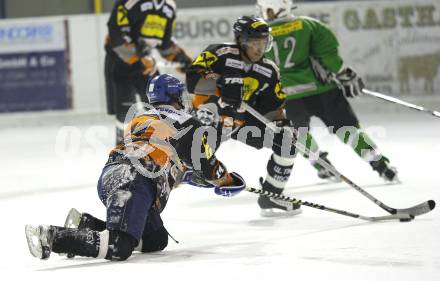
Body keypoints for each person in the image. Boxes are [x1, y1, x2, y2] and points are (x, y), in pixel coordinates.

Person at [25, 74, 244, 261]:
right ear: (175, 97)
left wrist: (210, 182)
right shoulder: (185, 121)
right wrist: (225, 181)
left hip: (115, 175)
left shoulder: (143, 118)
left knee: (155, 239)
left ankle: (87, 225)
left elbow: (180, 171)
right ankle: (52, 237)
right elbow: (205, 163)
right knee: (119, 245)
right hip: (135, 180)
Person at [256, 0, 398, 181]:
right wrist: (344, 74)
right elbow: (329, 56)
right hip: (322, 91)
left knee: (298, 135)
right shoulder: (308, 25)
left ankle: (321, 164)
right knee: (348, 130)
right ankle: (380, 165)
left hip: (285, 97)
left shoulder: (258, 36)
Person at [186, 15, 301, 217]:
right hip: (210, 115)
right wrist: (220, 84)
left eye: (264, 43)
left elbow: (273, 108)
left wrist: (282, 124)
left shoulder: (269, 70)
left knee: (287, 140)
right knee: (190, 161)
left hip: (240, 121)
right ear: (241, 40)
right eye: (255, 43)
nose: (259, 49)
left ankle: (271, 195)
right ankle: (169, 177)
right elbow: (192, 80)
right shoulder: (219, 53)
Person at [105, 0, 193, 144]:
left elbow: (165, 43)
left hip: (146, 64)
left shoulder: (169, 7)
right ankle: (122, 149)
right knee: (125, 113)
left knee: (162, 103)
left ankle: (163, 145)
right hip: (120, 61)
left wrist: (183, 60)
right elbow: (116, 36)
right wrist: (139, 57)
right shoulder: (129, 2)